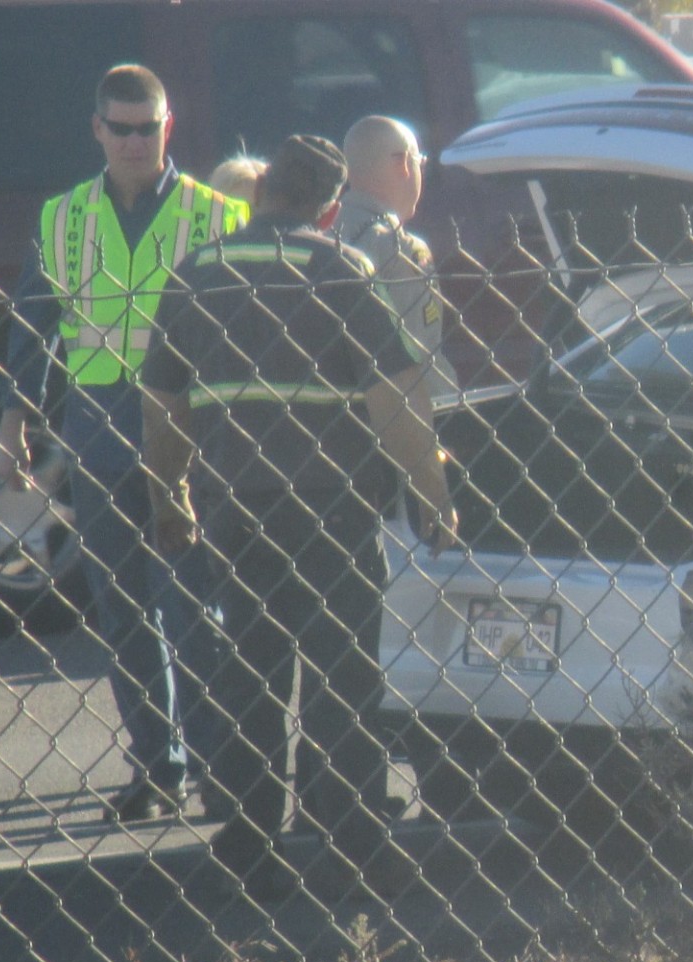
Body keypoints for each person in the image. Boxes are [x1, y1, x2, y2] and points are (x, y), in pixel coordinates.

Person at [139, 134, 458, 901]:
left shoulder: (198, 274)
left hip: (236, 508)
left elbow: (163, 405)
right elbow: (393, 401)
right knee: (341, 678)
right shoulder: (338, 270)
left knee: (250, 670)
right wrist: (433, 492)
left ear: (261, 193)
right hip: (331, 507)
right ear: (331, 207)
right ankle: (353, 842)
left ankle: (251, 841)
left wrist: (168, 496)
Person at [0, 64, 246, 822]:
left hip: (189, 437)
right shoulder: (64, 218)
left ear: (169, 128)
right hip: (99, 430)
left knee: (194, 610)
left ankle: (220, 766)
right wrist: (15, 420)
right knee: (123, 611)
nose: (136, 141)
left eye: (149, 127)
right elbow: (34, 323)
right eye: (121, 127)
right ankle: (156, 767)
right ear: (97, 128)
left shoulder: (217, 215)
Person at [332, 116, 456, 396]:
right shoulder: (397, 246)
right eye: (420, 162)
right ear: (403, 163)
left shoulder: (321, 231)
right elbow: (419, 352)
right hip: (397, 413)